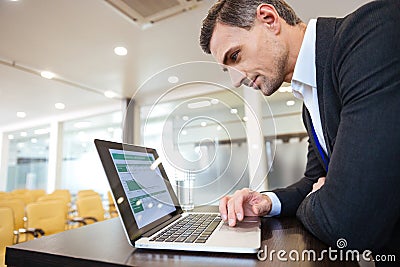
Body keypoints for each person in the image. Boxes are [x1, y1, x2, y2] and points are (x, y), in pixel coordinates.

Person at [199, 0, 400, 262]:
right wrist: (266, 202)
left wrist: (315, 201)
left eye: (235, 56)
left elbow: (352, 223)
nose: (236, 80)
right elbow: (313, 180)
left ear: (269, 19)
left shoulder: (367, 34)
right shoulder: (310, 103)